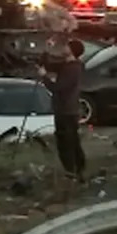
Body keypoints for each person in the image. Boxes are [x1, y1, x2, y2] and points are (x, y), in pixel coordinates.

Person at [43, 39, 86, 182]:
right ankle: (78, 170)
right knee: (71, 141)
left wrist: (44, 77)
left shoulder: (72, 69)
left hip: (66, 111)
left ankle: (72, 172)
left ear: (72, 50)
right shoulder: (68, 65)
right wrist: (47, 49)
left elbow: (58, 88)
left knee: (66, 142)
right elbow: (48, 64)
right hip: (67, 110)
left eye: (67, 46)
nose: (64, 47)